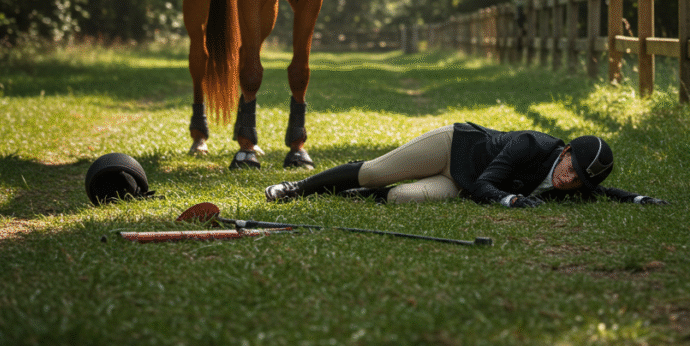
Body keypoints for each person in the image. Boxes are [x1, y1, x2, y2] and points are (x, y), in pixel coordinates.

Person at [264, 122, 668, 207]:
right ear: (563, 153)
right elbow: (487, 185)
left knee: (403, 198)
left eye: (578, 180)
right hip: (452, 149)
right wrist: (509, 201)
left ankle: (354, 193)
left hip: (461, 182)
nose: (570, 180)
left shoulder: (578, 183)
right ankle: (296, 188)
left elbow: (599, 191)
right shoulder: (531, 145)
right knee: (374, 172)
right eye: (571, 168)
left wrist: (637, 199)